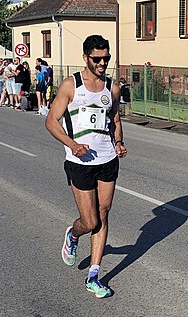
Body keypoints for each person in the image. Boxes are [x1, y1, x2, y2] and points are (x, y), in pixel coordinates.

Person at [45, 34, 127, 298]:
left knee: (103, 214)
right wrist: (72, 144)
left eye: (106, 58)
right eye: (97, 59)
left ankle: (94, 274)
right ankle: (73, 234)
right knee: (89, 221)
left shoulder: (112, 88)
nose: (103, 63)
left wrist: (118, 142)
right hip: (79, 161)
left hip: (107, 160)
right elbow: (51, 122)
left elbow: (114, 119)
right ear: (85, 58)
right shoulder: (71, 85)